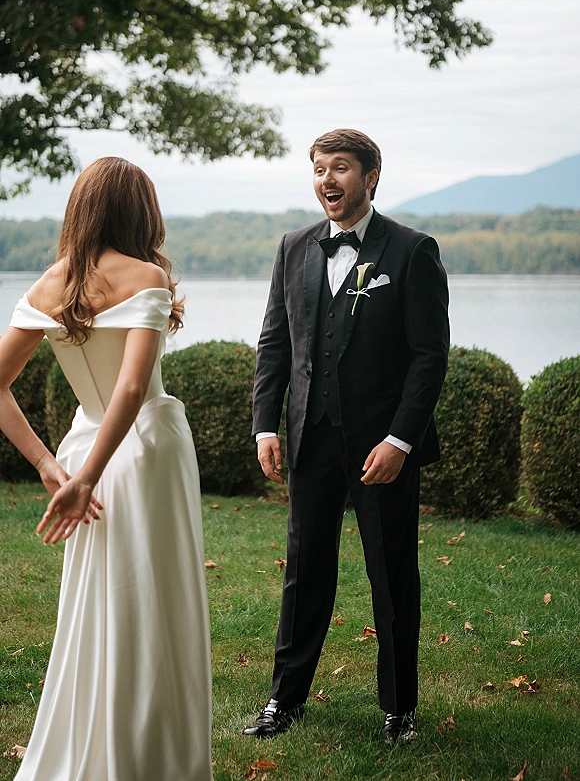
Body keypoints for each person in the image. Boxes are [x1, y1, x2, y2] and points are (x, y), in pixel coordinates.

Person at [0, 157, 213, 780]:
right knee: (155, 601)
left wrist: (50, 463)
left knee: (101, 597)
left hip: (82, 446)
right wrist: (87, 476)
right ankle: (153, 760)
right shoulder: (145, 274)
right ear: (140, 210)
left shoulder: (50, 285)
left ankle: (98, 748)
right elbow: (130, 389)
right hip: (143, 449)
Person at [245, 129, 450, 745]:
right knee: (305, 573)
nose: (326, 180)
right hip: (310, 438)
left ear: (370, 178)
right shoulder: (294, 248)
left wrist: (400, 441)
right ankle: (285, 700)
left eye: (339, 169)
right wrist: (264, 424)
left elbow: (428, 357)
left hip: (381, 448)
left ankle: (399, 708)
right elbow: (275, 343)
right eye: (317, 169)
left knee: (391, 574)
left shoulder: (412, 251)